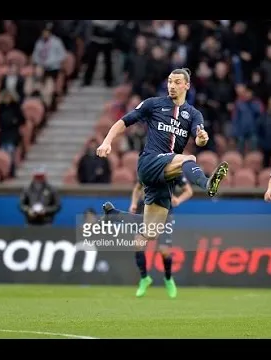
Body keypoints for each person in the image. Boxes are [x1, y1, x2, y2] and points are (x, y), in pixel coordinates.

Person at [97, 68, 229, 294]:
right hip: (149, 164)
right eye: (169, 81)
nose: (172, 86)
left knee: (150, 233)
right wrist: (107, 141)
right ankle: (207, 185)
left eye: (177, 82)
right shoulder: (153, 104)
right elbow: (123, 121)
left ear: (187, 86)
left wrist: (201, 137)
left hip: (166, 178)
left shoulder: (193, 114)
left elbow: (199, 135)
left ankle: (115, 216)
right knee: (189, 158)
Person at [128, 176, 193, 298]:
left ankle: (168, 279)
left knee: (164, 251)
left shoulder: (174, 171)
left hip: (165, 211)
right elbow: (137, 188)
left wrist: (178, 200)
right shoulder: (149, 168)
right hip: (145, 209)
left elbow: (188, 190)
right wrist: (133, 203)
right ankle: (144, 278)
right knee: (138, 244)